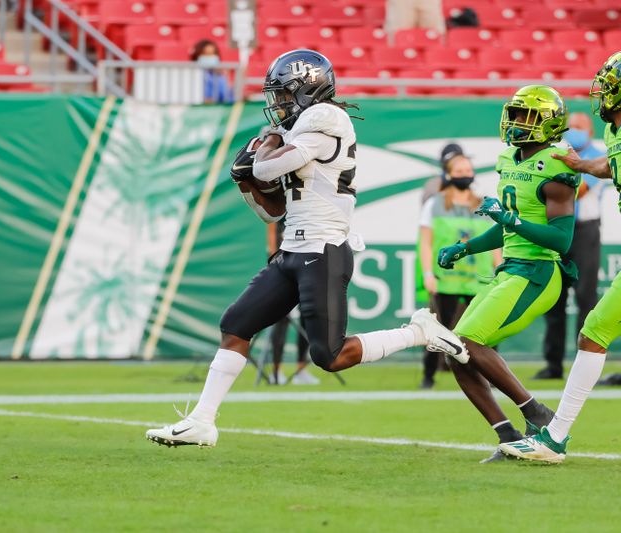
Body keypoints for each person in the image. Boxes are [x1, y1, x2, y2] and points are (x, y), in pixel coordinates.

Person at [145, 49, 467, 448]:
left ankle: (418, 332)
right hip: (293, 248)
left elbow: (265, 167)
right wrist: (245, 184)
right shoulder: (303, 126)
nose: (277, 105)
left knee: (329, 356)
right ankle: (202, 421)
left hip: (324, 248)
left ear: (307, 89)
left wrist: (264, 152)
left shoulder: (326, 117)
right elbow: (273, 209)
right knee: (236, 325)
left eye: (282, 95)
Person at [438, 85, 579, 462]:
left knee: (466, 341)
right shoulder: (508, 159)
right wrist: (465, 247)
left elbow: (562, 240)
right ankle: (507, 435)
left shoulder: (557, 165)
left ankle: (536, 412)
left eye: (527, 116)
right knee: (456, 350)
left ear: (549, 123)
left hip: (538, 271)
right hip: (509, 269)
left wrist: (510, 218)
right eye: (515, 115)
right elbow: (507, 227)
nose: (517, 122)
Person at [499, 52, 621, 463]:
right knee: (594, 332)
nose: (600, 94)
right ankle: (554, 437)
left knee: (593, 331)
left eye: (607, 87)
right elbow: (613, 166)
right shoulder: (613, 132)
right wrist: (582, 164)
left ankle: (554, 437)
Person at [418, 153, 500, 389]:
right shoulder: (434, 204)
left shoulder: (484, 205)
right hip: (447, 280)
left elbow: (495, 242)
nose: (465, 175)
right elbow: (426, 242)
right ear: (448, 174)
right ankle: (428, 375)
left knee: (487, 330)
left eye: (468, 171)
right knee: (437, 330)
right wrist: (427, 273)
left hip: (480, 279)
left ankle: (492, 376)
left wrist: (500, 268)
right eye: (459, 171)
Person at [535, 112, 605, 380]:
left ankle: (585, 366)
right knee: (554, 298)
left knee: (586, 299)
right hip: (557, 230)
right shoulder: (556, 155)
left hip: (584, 232)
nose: (573, 131)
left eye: (579, 127)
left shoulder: (598, 158)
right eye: (570, 126)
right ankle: (553, 364)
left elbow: (579, 190)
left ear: (590, 132)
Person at [267, 219, 318, 385]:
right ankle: (276, 372)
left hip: (305, 262)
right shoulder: (284, 199)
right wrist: (275, 258)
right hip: (282, 262)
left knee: (307, 315)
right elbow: (271, 227)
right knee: (281, 318)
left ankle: (301, 370)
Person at [190, 39, 234, 104]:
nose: (210, 57)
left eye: (213, 54)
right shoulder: (192, 75)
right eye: (206, 54)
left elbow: (229, 97)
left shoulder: (220, 76)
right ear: (196, 56)